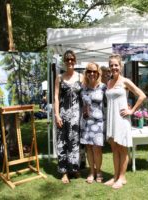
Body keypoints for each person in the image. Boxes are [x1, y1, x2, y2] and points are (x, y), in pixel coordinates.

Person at [104, 54, 146, 189]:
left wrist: (132, 111)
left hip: (122, 119)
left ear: (120, 66)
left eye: (116, 65)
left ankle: (122, 178)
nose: (113, 67)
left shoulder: (125, 81)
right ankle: (115, 176)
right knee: (114, 148)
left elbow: (142, 95)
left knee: (122, 149)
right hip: (111, 119)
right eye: (111, 65)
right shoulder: (109, 82)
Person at [54, 50, 83, 184]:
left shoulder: (81, 77)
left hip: (76, 116)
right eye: (67, 60)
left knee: (75, 142)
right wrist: (56, 115)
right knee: (62, 142)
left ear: (75, 61)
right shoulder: (59, 77)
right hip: (63, 115)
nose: (70, 62)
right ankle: (64, 172)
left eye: (72, 59)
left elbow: (85, 95)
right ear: (64, 62)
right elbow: (55, 97)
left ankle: (74, 168)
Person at [80, 62, 106, 184]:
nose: (91, 74)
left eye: (94, 71)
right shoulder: (83, 88)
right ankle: (91, 171)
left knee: (97, 149)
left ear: (98, 73)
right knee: (88, 148)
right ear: (86, 73)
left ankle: (99, 171)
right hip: (86, 122)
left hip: (98, 123)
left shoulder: (103, 87)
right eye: (89, 71)